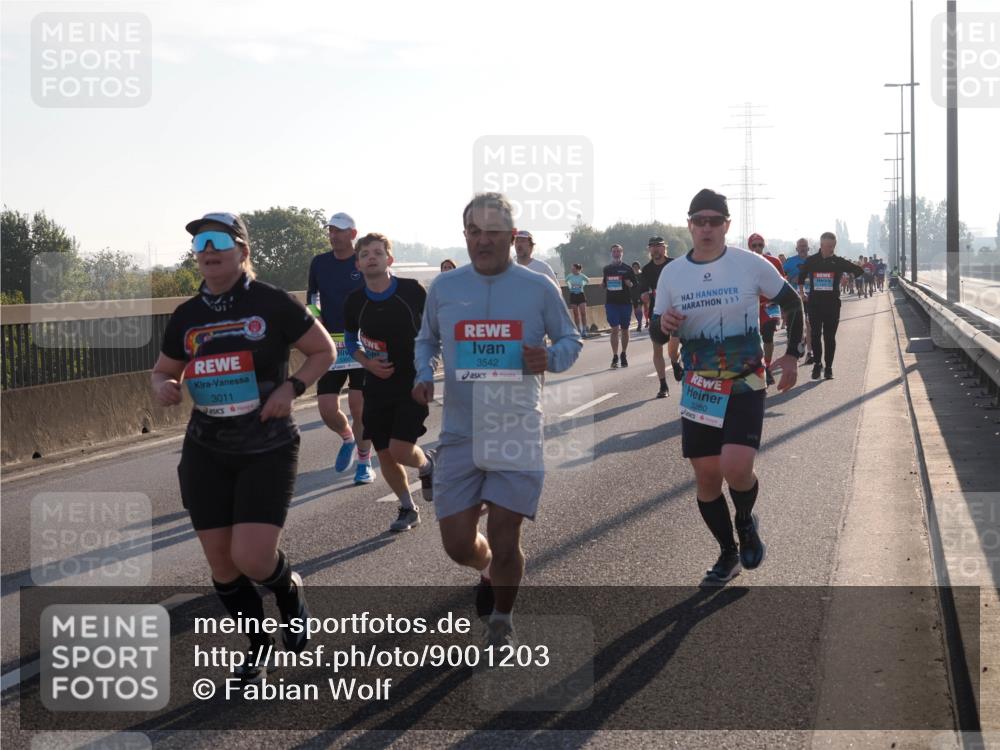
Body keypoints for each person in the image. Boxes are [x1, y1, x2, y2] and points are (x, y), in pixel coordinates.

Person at [152, 212, 335, 682]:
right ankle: (257, 644)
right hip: (205, 449)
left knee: (252, 558)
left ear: (242, 251)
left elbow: (323, 351)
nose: (208, 251)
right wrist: (165, 385)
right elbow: (164, 369)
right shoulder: (187, 315)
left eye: (218, 242)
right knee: (222, 563)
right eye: (200, 245)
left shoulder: (271, 301)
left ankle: (288, 588)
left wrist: (290, 389)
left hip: (267, 447)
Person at [412, 192, 582, 647]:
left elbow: (571, 341)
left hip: (517, 427)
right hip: (460, 432)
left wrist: (548, 357)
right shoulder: (445, 288)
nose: (483, 241)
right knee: (457, 545)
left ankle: (502, 620)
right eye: (474, 232)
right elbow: (425, 340)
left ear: (511, 235)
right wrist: (422, 371)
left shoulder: (537, 286)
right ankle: (484, 570)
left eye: (493, 232)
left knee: (506, 535)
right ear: (464, 234)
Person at [651, 189, 803, 585]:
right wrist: (662, 325)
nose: (706, 228)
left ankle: (746, 521)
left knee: (736, 468)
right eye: (698, 220)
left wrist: (791, 355)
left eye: (713, 221)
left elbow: (793, 304)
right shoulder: (672, 273)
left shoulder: (749, 264)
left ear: (726, 226)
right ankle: (727, 553)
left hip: (745, 381)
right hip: (700, 386)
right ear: (689, 225)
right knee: (706, 478)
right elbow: (655, 327)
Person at [344, 233, 434, 533]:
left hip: (411, 381)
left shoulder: (411, 291)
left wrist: (428, 372)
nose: (372, 257)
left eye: (378, 252)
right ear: (358, 263)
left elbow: (431, 333)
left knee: (399, 449)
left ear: (389, 259)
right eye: (365, 253)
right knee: (383, 451)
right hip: (376, 385)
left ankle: (426, 465)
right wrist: (367, 363)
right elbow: (349, 339)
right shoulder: (355, 300)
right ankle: (408, 508)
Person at [307, 212, 376, 485]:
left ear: (353, 234)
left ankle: (364, 461)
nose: (334, 235)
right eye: (331, 230)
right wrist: (315, 316)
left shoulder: (364, 261)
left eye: (340, 230)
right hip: (330, 344)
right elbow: (312, 297)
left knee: (359, 406)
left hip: (360, 341)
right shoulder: (319, 263)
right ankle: (347, 438)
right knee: (326, 408)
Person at [797, 232, 864, 380]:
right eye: (827, 246)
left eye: (832, 246)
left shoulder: (838, 261)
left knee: (829, 337)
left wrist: (848, 278)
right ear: (821, 245)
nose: (830, 249)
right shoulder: (812, 260)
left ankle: (828, 368)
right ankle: (817, 364)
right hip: (815, 303)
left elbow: (859, 270)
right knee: (815, 335)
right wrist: (802, 293)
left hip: (832, 304)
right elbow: (801, 277)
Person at [639, 236, 678, 398]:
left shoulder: (674, 264)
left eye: (659, 246)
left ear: (664, 248)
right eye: (653, 246)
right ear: (649, 250)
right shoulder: (646, 270)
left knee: (674, 348)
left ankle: (676, 363)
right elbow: (643, 292)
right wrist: (644, 296)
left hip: (677, 311)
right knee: (657, 348)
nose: (656, 249)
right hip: (657, 313)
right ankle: (663, 385)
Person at [746, 233, 786, 386]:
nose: (757, 248)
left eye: (760, 245)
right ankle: (755, 374)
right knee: (754, 341)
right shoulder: (743, 263)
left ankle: (767, 368)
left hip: (770, 305)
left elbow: (783, 284)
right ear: (749, 247)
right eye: (754, 245)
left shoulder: (774, 262)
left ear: (764, 246)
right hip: (750, 307)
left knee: (768, 335)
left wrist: (784, 307)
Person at [601, 244, 638, 368]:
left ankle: (623, 353)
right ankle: (615, 355)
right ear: (611, 253)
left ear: (622, 253)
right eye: (614, 251)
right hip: (611, 303)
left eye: (618, 251)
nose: (616, 253)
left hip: (625, 303)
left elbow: (635, 285)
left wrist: (630, 284)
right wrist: (602, 285)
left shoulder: (628, 268)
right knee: (614, 329)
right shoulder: (607, 269)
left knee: (625, 329)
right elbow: (605, 283)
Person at [782, 238, 814, 364]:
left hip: (810, 297)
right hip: (794, 299)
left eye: (805, 246)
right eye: (800, 246)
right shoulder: (790, 262)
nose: (802, 248)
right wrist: (790, 279)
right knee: (795, 327)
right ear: (796, 248)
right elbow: (780, 276)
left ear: (808, 248)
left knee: (809, 323)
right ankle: (800, 343)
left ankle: (809, 353)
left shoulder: (814, 261)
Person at [565, 262, 591, 338]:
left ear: (578, 269)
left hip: (581, 295)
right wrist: (570, 287)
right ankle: (578, 330)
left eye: (573, 268)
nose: (572, 270)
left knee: (583, 313)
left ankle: (584, 330)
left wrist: (582, 285)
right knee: (576, 314)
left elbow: (588, 280)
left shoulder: (582, 276)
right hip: (573, 295)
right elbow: (566, 281)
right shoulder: (569, 276)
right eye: (572, 268)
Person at [630, 261, 645, 333]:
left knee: (639, 309)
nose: (635, 268)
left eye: (636, 267)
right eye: (634, 267)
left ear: (639, 267)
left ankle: (639, 324)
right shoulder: (631, 276)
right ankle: (639, 321)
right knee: (635, 310)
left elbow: (645, 284)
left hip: (640, 294)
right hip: (633, 295)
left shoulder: (642, 275)